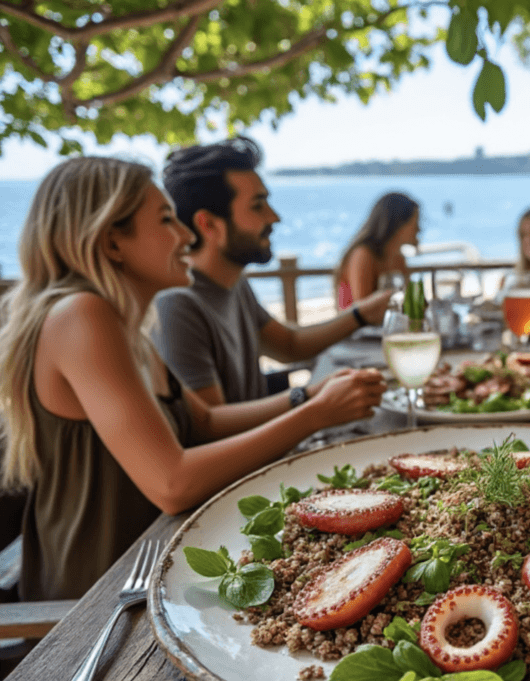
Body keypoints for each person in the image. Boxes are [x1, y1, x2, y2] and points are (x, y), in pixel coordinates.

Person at [0, 157, 386, 601]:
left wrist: (308, 396)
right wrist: (315, 414)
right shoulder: (81, 316)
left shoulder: (126, 324)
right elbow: (172, 484)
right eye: (166, 221)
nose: (185, 235)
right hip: (100, 596)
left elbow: (203, 421)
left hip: (161, 557)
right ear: (111, 242)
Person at [154, 137, 391, 406]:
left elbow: (290, 346)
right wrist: (311, 400)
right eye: (258, 205)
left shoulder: (234, 283)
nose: (274, 217)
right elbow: (213, 429)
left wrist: (362, 314)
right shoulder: (177, 305)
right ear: (208, 223)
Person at [333, 192, 419, 309]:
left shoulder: (397, 258)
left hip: (387, 325)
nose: (419, 229)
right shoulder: (363, 254)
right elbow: (364, 311)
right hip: (358, 327)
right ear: (398, 224)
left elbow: (411, 303)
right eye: (415, 223)